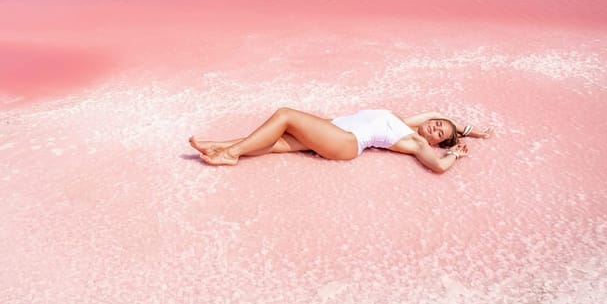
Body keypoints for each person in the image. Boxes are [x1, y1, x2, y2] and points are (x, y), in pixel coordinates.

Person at [189, 108, 493, 173]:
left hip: (346, 142)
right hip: (333, 130)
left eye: (439, 132)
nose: (436, 126)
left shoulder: (416, 140)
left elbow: (437, 167)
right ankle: (220, 146)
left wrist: (455, 153)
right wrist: (469, 129)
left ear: (434, 140)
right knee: (278, 140)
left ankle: (230, 154)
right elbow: (433, 111)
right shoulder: (407, 120)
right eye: (438, 125)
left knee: (285, 115)